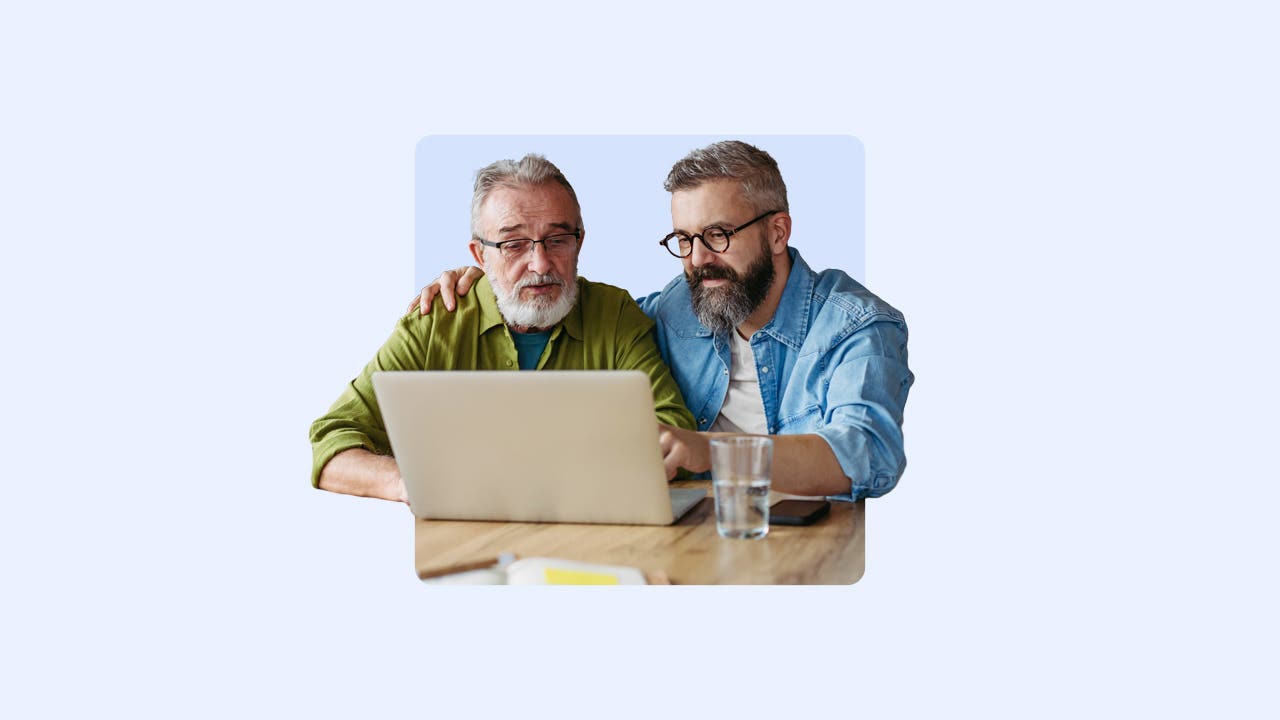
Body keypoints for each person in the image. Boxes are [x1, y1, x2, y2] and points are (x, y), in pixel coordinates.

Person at [410, 141, 913, 501]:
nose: (697, 260)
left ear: (777, 232)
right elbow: (571, 303)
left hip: (808, 549)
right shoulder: (676, 307)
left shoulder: (857, 326)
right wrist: (487, 279)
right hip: (687, 540)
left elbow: (867, 451)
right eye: (684, 239)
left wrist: (711, 451)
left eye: (717, 234)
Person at [310, 154, 695, 503]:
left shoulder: (614, 314)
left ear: (579, 242)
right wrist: (406, 483)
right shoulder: (434, 322)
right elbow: (332, 442)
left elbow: (674, 431)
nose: (541, 264)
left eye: (557, 240)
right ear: (480, 254)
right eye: (513, 245)